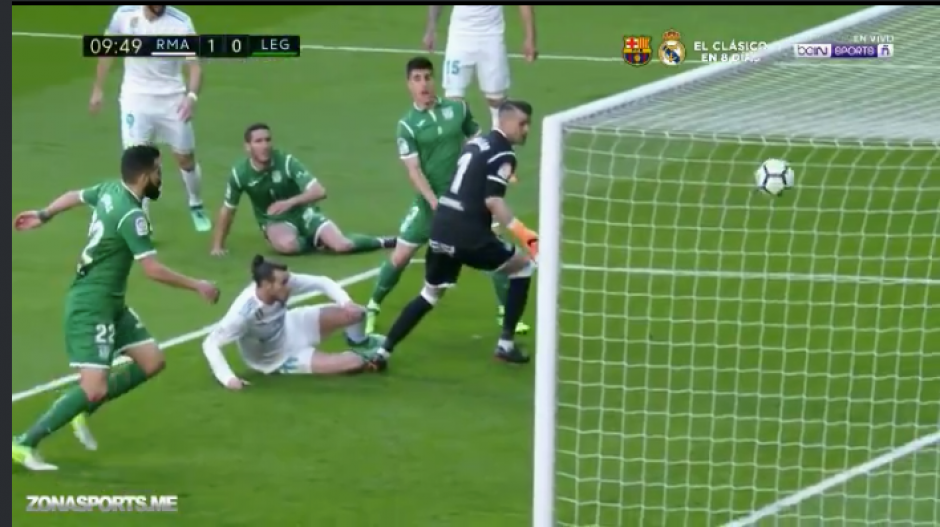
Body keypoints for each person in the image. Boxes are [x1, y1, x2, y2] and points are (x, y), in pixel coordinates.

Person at [11, 145, 220, 471]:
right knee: (94, 387)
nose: (161, 179)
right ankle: (23, 442)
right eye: (158, 172)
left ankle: (83, 408)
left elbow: (74, 195)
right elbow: (152, 269)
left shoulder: (110, 190)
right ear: (145, 175)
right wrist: (198, 285)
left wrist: (44, 213)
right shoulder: (132, 215)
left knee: (152, 361)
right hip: (91, 306)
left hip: (111, 303)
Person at [365, 57, 529, 336]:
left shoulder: (457, 109)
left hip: (466, 203)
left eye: (427, 77)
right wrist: (433, 202)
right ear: (409, 84)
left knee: (494, 248)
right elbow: (414, 171)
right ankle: (371, 307)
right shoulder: (407, 125)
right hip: (430, 204)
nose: (424, 84)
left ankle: (505, 314)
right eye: (417, 79)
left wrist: (497, 172)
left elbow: (479, 141)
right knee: (401, 257)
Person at [91, 5, 211, 232]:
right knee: (138, 160)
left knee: (185, 158)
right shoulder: (124, 15)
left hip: (172, 99)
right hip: (135, 99)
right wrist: (98, 89)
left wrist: (191, 97)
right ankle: (141, 221)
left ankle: (195, 203)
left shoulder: (181, 22)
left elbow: (195, 66)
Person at [201, 255, 386, 389]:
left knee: (357, 314)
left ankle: (359, 342)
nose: (289, 285)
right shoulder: (243, 313)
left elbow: (322, 282)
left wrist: (346, 303)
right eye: (283, 282)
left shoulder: (284, 283)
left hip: (293, 325)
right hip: (279, 358)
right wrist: (228, 379)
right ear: (266, 285)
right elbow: (210, 343)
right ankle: (361, 356)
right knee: (353, 363)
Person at [211, 123, 396, 257]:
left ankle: (382, 241)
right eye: (258, 141)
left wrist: (290, 202)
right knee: (288, 246)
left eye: (268, 140)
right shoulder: (240, 174)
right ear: (247, 147)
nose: (265, 145)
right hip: (274, 220)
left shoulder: (286, 162)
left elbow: (320, 191)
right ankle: (315, 240)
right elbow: (228, 209)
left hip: (304, 212)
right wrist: (218, 245)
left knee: (343, 246)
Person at [423, 6, 538, 128]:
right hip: (460, 37)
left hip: (491, 37)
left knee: (496, 100)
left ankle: (498, 143)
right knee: (453, 102)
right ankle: (457, 144)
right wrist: (431, 28)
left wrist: (530, 38)